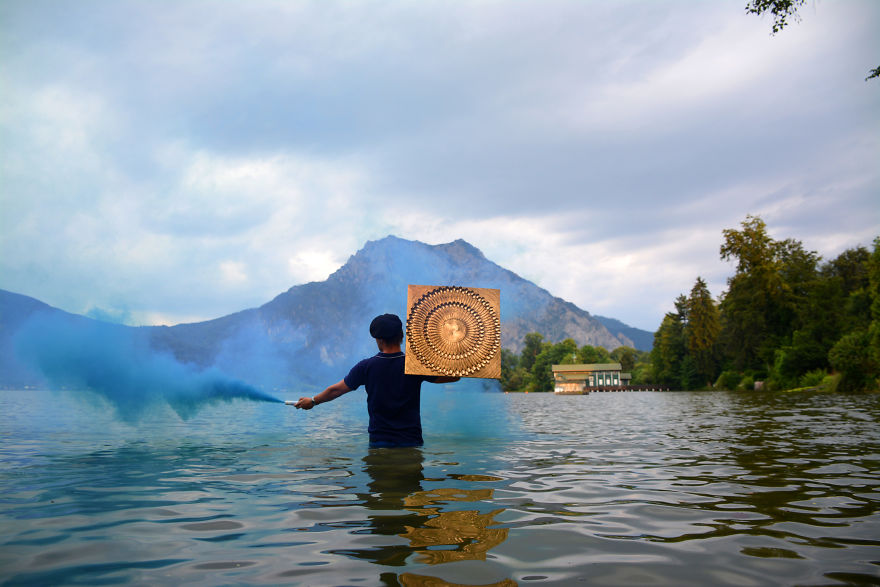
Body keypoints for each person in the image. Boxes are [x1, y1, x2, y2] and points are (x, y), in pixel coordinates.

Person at [294, 313, 459, 447]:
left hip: (379, 441)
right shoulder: (415, 366)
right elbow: (453, 377)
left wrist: (313, 401)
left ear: (378, 339)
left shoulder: (366, 367)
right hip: (411, 440)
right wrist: (457, 354)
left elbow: (335, 390)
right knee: (410, 485)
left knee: (379, 485)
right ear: (402, 336)